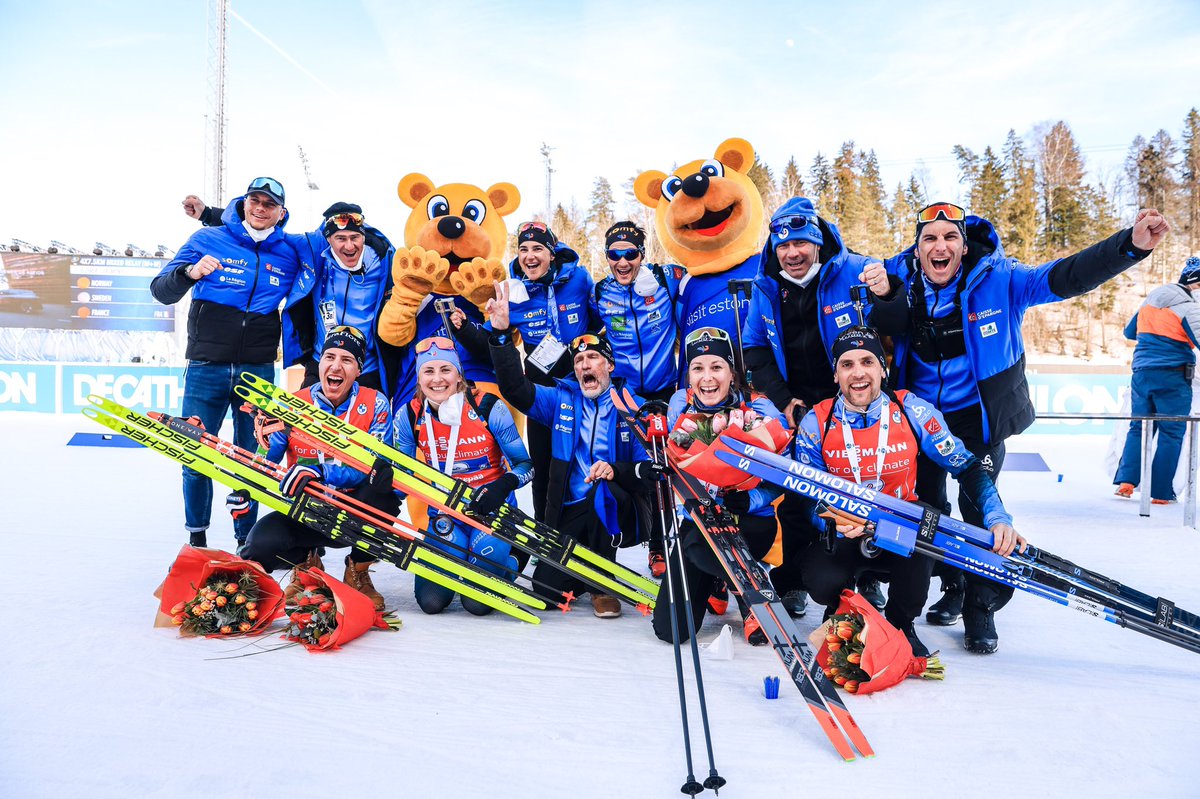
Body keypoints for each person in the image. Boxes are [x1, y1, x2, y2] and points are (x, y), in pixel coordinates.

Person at [867, 201, 1170, 653]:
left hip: (979, 420)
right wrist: (877, 284)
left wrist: (1130, 246)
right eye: (929, 239)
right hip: (920, 420)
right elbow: (839, 274)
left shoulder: (1002, 279)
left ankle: (980, 607)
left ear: (963, 247)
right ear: (917, 248)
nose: (940, 246)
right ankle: (950, 585)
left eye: (950, 237)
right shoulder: (902, 280)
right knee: (925, 509)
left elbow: (1067, 276)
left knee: (979, 510)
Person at [793, 326, 1021, 657]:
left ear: (882, 369)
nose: (858, 373)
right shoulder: (817, 422)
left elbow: (966, 466)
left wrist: (997, 517)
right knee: (820, 576)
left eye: (867, 362)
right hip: (845, 531)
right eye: (847, 364)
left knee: (925, 525)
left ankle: (902, 624)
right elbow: (806, 493)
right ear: (835, 373)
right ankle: (842, 613)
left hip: (901, 529)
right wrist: (831, 519)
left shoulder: (911, 410)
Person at [742, 197, 888, 615]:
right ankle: (791, 580)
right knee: (795, 493)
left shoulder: (855, 272)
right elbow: (754, 347)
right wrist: (784, 400)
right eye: (783, 247)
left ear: (818, 243)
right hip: (798, 407)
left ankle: (868, 577)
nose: (792, 254)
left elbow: (894, 324)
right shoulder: (766, 285)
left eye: (801, 245)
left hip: (852, 402)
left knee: (861, 489)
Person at [153, 177, 308, 548]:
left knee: (252, 460)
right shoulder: (208, 240)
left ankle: (246, 542)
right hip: (207, 366)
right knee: (194, 450)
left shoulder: (289, 249)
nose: (260, 208)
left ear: (280, 213)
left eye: (269, 204)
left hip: (256, 371)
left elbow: (332, 245)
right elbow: (160, 291)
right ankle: (197, 539)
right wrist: (189, 273)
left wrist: (208, 211)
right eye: (255, 200)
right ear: (243, 204)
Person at [488, 281, 653, 618]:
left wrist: (615, 470)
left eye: (592, 357)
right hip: (568, 510)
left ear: (609, 365)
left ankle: (602, 584)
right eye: (578, 360)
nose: (583, 365)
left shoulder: (630, 406)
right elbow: (515, 388)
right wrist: (502, 335)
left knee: (603, 492)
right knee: (546, 592)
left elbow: (648, 468)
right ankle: (578, 572)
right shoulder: (561, 398)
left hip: (613, 505)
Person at [238, 326, 395, 610]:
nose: (336, 366)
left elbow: (372, 466)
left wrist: (318, 470)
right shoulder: (294, 403)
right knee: (259, 545)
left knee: (384, 491)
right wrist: (250, 472)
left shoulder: (376, 403)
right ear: (319, 364)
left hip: (354, 510)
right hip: (307, 509)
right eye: (330, 357)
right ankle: (306, 566)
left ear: (358, 369)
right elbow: (267, 460)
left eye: (347, 360)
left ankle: (357, 572)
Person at [452, 220, 596, 525]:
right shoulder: (512, 292)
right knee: (544, 464)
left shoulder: (580, 279)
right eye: (524, 249)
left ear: (552, 253)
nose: (530, 256)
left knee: (585, 461)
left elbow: (598, 322)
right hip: (541, 391)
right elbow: (491, 343)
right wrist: (464, 328)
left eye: (538, 249)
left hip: (581, 387)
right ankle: (546, 531)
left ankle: (590, 532)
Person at [651, 327, 787, 645]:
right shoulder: (680, 408)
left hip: (750, 521)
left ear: (731, 373)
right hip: (702, 521)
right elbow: (676, 455)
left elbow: (784, 479)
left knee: (703, 546)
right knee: (670, 630)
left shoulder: (758, 408)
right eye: (698, 368)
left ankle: (752, 594)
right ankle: (721, 581)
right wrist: (655, 468)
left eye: (716, 367)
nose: (707, 378)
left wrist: (751, 499)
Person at [183, 195, 399, 392]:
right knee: (305, 433)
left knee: (368, 432)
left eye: (355, 237)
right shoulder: (313, 251)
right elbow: (263, 228)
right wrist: (209, 214)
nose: (350, 246)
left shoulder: (386, 260)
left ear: (363, 236)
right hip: (322, 364)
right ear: (328, 239)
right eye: (340, 238)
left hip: (367, 368)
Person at [393, 337, 533, 615]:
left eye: (446, 370)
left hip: (490, 515)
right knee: (431, 603)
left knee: (477, 604)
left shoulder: (488, 407)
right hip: (445, 518)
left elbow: (525, 465)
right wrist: (382, 482)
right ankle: (463, 566)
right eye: (428, 371)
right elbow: (403, 474)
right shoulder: (409, 417)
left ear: (459, 375)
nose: (437, 379)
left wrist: (503, 486)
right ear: (419, 378)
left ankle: (513, 559)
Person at [589, 220, 683, 577]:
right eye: (615, 254)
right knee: (638, 467)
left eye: (631, 253)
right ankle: (652, 543)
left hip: (664, 390)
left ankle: (667, 543)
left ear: (642, 254)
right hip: (626, 395)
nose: (623, 261)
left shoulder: (666, 278)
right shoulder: (600, 293)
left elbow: (703, 276)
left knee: (666, 470)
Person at [1114, 256, 1200, 503]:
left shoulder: (1151, 300)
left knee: (1138, 426)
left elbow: (1130, 332)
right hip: (1172, 375)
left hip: (1141, 373)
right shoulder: (1189, 306)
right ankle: (1161, 493)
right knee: (1171, 431)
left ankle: (1126, 482)